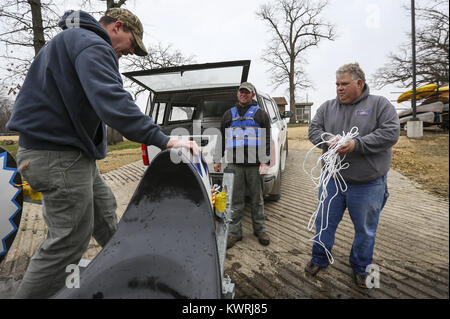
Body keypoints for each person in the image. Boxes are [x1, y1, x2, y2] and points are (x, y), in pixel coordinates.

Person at [6, 8, 198, 299]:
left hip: (69, 154)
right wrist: (164, 140)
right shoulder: (93, 44)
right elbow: (112, 101)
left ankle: (128, 269)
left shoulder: (73, 41)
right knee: (69, 240)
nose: (130, 52)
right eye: (132, 44)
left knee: (105, 211)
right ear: (117, 27)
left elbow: (102, 94)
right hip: (57, 155)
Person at [305, 62, 400, 288]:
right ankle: (320, 258)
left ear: (359, 83)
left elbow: (390, 133)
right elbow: (313, 130)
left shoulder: (379, 105)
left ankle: (360, 267)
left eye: (344, 84)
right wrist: (328, 140)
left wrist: (357, 144)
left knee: (365, 230)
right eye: (337, 84)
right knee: (324, 223)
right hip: (332, 181)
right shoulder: (327, 107)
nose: (339, 88)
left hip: (367, 184)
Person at [213, 82, 271, 249]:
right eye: (241, 92)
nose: (243, 94)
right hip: (234, 165)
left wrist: (265, 161)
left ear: (252, 95)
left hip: (254, 165)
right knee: (235, 199)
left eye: (247, 92)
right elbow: (222, 139)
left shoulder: (261, 115)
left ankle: (260, 230)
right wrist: (217, 159)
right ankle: (234, 233)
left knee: (257, 199)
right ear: (237, 94)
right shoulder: (228, 115)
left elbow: (267, 139)